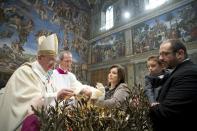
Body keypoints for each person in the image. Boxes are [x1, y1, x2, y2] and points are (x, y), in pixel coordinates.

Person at [0, 34, 73, 131]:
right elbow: (34, 102)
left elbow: (48, 93)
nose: (54, 63)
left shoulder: (48, 74)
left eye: (54, 60)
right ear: (39, 57)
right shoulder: (25, 72)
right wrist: (57, 95)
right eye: (50, 59)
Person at [150, 39, 197, 131]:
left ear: (180, 54)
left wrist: (151, 105)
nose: (160, 58)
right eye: (160, 54)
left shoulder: (188, 73)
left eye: (165, 54)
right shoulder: (179, 71)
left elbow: (168, 113)